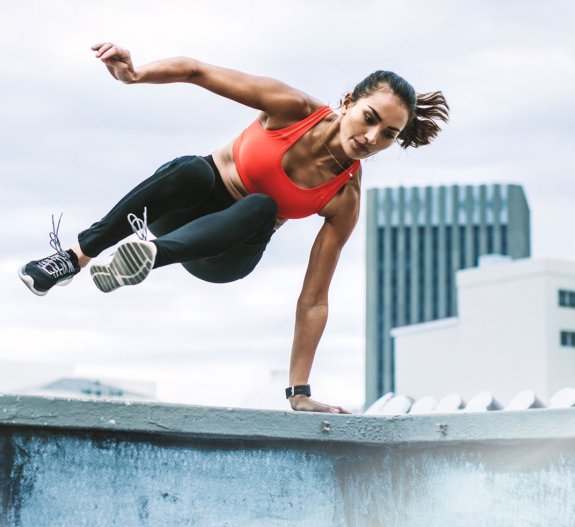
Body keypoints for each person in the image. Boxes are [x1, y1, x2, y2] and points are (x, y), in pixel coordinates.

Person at [19, 42, 449, 414]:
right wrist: (134, 75)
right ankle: (74, 258)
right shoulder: (291, 108)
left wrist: (299, 391)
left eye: (388, 134)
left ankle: (149, 257)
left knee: (262, 206)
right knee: (192, 169)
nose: (372, 137)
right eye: (369, 117)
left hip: (223, 253)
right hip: (183, 213)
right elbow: (196, 71)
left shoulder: (345, 197)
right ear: (348, 99)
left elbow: (314, 298)